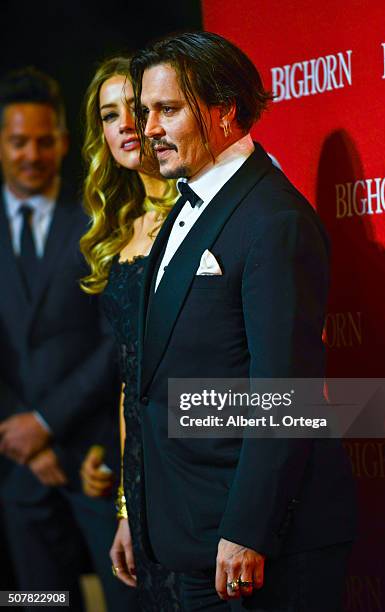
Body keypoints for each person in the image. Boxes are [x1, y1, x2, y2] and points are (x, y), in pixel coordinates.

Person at [114, 32, 356, 611]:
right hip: (189, 529)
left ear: (223, 111)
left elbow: (284, 389)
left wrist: (250, 527)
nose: (148, 129)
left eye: (167, 110)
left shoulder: (274, 219)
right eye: (147, 112)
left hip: (260, 542)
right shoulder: (188, 202)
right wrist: (136, 510)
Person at [0, 67, 138, 611]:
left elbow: (115, 338)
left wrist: (48, 423)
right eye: (18, 142)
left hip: (95, 460)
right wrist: (21, 433)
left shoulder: (97, 218)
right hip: (16, 468)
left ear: (61, 141)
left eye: (43, 140)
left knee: (126, 600)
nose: (32, 154)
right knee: (37, 603)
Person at [79, 57, 180, 610]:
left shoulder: (202, 216)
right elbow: (127, 385)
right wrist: (124, 506)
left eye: (134, 109)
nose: (123, 125)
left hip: (201, 469)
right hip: (143, 484)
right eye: (108, 114)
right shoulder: (117, 237)